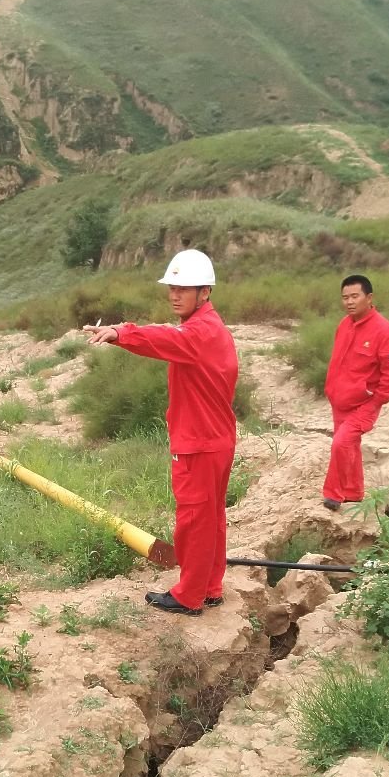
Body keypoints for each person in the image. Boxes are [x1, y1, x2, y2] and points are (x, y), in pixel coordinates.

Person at [84, 248, 238, 616]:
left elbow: (164, 338)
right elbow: (171, 336)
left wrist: (120, 332)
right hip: (215, 440)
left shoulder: (199, 332)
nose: (174, 295)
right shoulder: (211, 328)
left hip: (199, 444)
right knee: (212, 520)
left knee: (193, 522)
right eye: (172, 288)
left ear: (205, 292)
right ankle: (209, 587)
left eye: (183, 289)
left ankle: (189, 596)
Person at [321, 274, 389, 511]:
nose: (349, 302)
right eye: (345, 297)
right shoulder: (344, 325)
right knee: (350, 445)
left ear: (369, 298)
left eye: (354, 296)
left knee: (341, 443)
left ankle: (333, 494)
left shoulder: (384, 331)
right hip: (340, 399)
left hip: (365, 403)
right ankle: (353, 492)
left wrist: (376, 401)